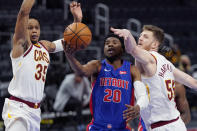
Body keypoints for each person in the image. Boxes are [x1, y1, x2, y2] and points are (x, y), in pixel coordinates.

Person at [1, 0, 82, 131]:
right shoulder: (21, 45)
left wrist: (77, 21)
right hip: (18, 108)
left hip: (35, 111)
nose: (34, 30)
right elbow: (23, 12)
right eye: (30, 27)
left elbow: (68, 41)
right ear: (24, 30)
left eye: (36, 28)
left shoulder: (44, 46)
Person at [111, 25, 197, 130]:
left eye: (145, 37)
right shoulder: (167, 64)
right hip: (175, 124)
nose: (140, 38)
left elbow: (132, 49)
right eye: (140, 36)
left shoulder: (150, 59)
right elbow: (192, 82)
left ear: (154, 44)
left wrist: (128, 35)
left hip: (161, 126)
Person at [63, 33, 149, 131]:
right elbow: (81, 71)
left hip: (121, 127)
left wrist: (138, 107)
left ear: (122, 49)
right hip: (98, 127)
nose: (110, 45)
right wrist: (69, 56)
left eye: (114, 42)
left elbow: (143, 95)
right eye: (107, 43)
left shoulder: (132, 69)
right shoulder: (97, 65)